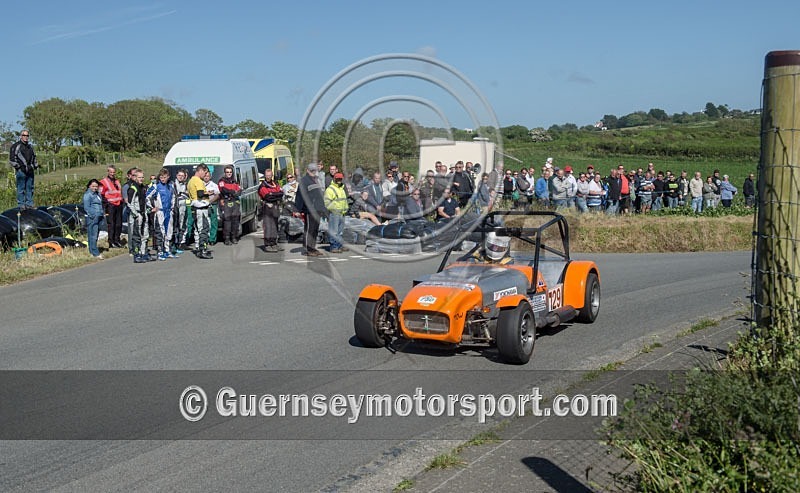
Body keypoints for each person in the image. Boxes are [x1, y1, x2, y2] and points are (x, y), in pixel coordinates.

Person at [294, 163, 326, 257]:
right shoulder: (304, 181)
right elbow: (300, 196)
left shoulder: (316, 180)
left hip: (318, 209)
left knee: (315, 229)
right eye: (312, 171)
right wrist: (297, 209)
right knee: (309, 229)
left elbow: (320, 196)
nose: (313, 172)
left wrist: (323, 208)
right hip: (309, 209)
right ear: (307, 170)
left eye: (314, 171)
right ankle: (308, 248)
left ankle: (312, 247)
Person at [188, 164, 213, 259]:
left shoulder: (191, 180)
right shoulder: (198, 180)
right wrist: (208, 193)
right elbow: (200, 194)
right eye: (205, 172)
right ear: (201, 170)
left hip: (194, 207)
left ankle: (199, 248)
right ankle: (203, 250)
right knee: (204, 229)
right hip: (200, 208)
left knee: (198, 230)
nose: (205, 175)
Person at [127, 170, 151, 263]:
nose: (141, 179)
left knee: (145, 235)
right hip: (136, 215)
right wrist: (135, 214)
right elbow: (130, 203)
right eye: (139, 177)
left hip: (143, 213)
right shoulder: (133, 188)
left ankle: (143, 253)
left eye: (142, 177)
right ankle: (136, 254)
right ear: (135, 178)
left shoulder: (143, 188)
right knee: (136, 236)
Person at [9, 130, 38, 209]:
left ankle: (29, 204)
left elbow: (34, 157)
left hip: (30, 171)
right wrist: (19, 167)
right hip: (21, 171)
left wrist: (35, 166)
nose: (26, 137)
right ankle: (21, 205)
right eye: (24, 135)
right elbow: (11, 159)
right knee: (21, 188)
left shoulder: (30, 147)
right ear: (21, 136)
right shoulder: (16, 146)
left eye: (27, 135)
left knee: (30, 188)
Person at [258, 168, 284, 252]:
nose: (268, 177)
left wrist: (273, 194)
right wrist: (275, 195)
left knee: (275, 226)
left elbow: (281, 193)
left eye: (270, 175)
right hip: (267, 207)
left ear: (272, 175)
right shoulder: (262, 186)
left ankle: (274, 243)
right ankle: (268, 244)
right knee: (268, 226)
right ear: (265, 176)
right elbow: (267, 197)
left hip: (275, 207)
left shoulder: (275, 183)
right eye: (267, 175)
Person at [99, 165, 123, 248]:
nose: (112, 174)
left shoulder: (117, 181)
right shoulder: (103, 182)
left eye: (113, 172)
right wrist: (106, 205)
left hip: (119, 204)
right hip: (110, 205)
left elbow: (119, 192)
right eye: (111, 172)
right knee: (111, 224)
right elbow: (101, 194)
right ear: (108, 172)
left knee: (118, 224)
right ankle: (111, 241)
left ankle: (117, 240)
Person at [324, 172, 349, 253]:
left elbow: (344, 201)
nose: (339, 180)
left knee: (340, 232)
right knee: (334, 231)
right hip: (334, 213)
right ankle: (334, 246)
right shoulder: (330, 189)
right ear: (334, 178)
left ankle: (339, 245)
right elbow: (327, 203)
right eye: (337, 178)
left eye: (340, 179)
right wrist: (334, 209)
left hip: (342, 213)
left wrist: (345, 209)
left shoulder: (341, 189)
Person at [218, 165, 242, 245]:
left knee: (235, 220)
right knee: (227, 221)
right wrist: (232, 192)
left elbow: (239, 190)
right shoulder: (221, 181)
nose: (229, 173)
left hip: (235, 202)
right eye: (227, 172)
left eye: (230, 172)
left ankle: (234, 237)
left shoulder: (234, 181)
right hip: (226, 202)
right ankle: (227, 238)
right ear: (224, 173)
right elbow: (223, 190)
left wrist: (236, 193)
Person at [83, 179, 104, 259]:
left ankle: (92, 251)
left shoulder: (97, 194)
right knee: (93, 235)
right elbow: (86, 207)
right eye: (93, 186)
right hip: (93, 217)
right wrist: (93, 215)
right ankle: (95, 252)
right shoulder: (88, 195)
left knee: (95, 234)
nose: (95, 188)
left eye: (96, 186)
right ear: (89, 186)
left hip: (99, 215)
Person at [172, 168, 190, 252]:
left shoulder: (186, 185)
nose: (180, 177)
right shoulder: (173, 184)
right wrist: (181, 195)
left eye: (182, 176)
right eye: (179, 175)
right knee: (176, 225)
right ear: (176, 175)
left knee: (184, 224)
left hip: (184, 206)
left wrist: (183, 195)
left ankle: (182, 242)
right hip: (175, 207)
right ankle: (175, 242)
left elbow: (188, 195)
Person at [202, 170, 220, 245]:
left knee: (213, 222)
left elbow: (217, 195)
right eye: (205, 176)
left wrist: (210, 201)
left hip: (212, 205)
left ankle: (212, 239)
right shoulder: (200, 184)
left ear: (210, 177)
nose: (206, 177)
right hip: (202, 205)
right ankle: (204, 238)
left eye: (208, 176)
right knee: (204, 222)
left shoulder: (214, 185)